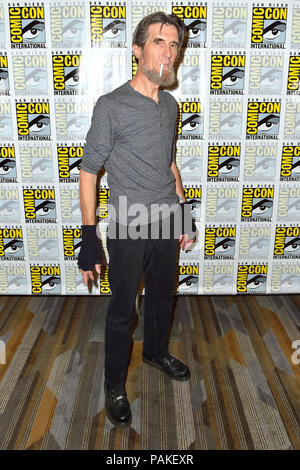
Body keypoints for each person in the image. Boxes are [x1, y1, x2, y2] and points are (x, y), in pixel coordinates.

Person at [78, 12, 196, 428]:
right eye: (159, 42)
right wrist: (89, 236)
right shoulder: (111, 106)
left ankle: (156, 351)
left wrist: (183, 211)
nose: (167, 51)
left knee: (164, 297)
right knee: (122, 311)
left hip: (165, 218)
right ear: (137, 49)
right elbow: (89, 170)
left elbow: (168, 162)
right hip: (129, 223)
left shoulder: (171, 106)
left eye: (174, 45)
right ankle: (114, 385)